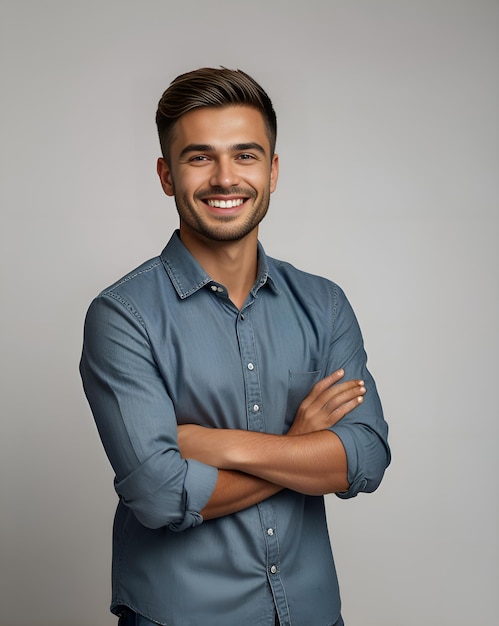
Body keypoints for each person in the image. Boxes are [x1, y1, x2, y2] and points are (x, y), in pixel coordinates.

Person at [80, 67, 390, 626]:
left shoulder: (324, 304)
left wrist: (216, 445)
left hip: (311, 612)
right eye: (200, 157)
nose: (226, 178)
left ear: (272, 171)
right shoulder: (122, 316)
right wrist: (299, 446)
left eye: (246, 155)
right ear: (166, 175)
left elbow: (363, 458)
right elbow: (157, 494)